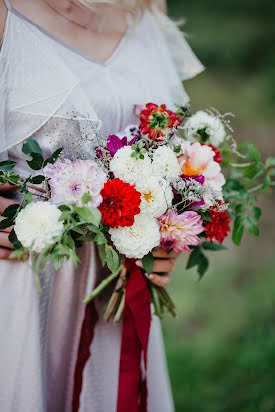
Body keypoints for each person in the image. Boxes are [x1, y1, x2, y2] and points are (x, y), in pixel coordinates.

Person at [0, 0, 204, 410]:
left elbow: (172, 146)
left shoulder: (146, 7)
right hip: (29, 279)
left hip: (120, 285)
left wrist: (168, 229)